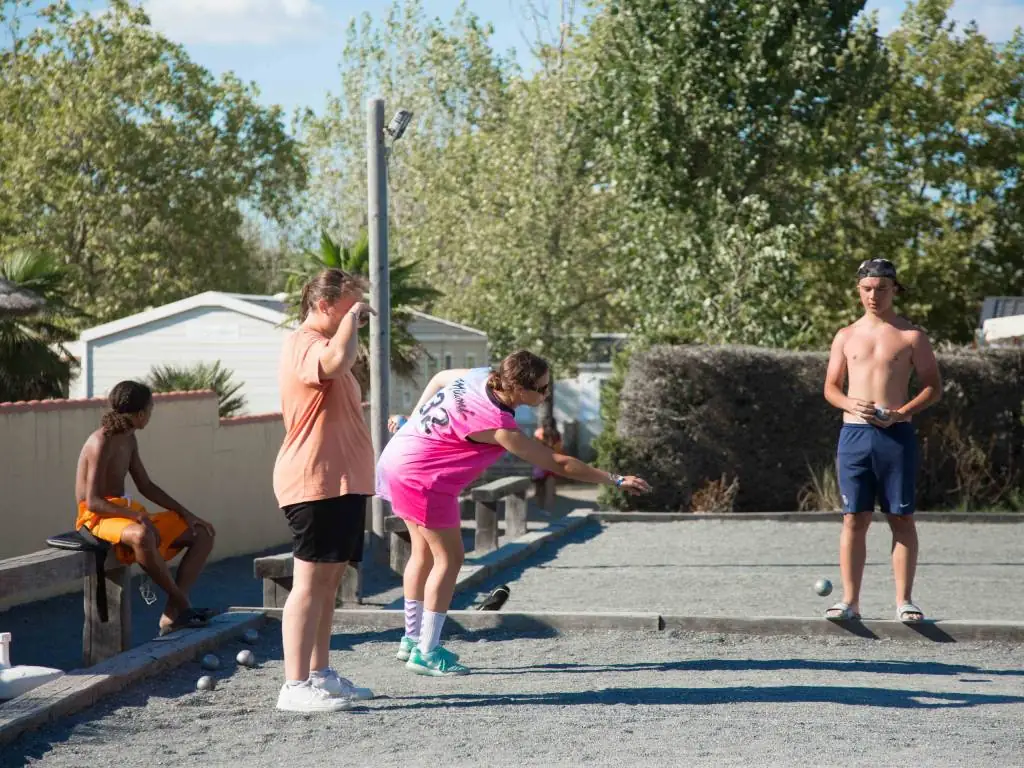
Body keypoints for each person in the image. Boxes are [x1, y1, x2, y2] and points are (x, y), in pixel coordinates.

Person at [378, 350, 650, 676]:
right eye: (543, 388)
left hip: (398, 459)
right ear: (520, 388)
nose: (547, 394)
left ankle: (411, 639)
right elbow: (557, 463)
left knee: (422, 554)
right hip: (423, 479)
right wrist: (614, 479)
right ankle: (426, 651)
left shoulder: (478, 375)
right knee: (449, 559)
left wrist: (413, 417)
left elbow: (439, 379)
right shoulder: (499, 425)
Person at [272, 268, 377, 713]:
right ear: (322, 305)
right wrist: (352, 321)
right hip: (314, 482)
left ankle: (319, 674)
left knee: (329, 583)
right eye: (349, 303)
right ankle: (293, 685)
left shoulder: (331, 341)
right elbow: (337, 362)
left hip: (343, 482)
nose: (358, 310)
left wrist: (349, 321)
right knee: (308, 585)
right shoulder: (306, 343)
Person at [823, 258, 942, 623]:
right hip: (854, 434)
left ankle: (904, 601)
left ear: (895, 290)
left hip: (896, 435)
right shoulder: (845, 335)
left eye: (882, 289)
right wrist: (848, 402)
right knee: (853, 519)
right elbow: (830, 387)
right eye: (868, 289)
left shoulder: (911, 336)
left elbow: (933, 387)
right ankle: (850, 602)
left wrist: (902, 411)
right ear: (859, 290)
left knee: (901, 518)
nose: (874, 296)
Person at [74, 380, 216, 636]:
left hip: (123, 512)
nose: (150, 415)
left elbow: (146, 486)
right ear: (140, 414)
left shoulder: (129, 440)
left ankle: (172, 614)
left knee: (203, 533)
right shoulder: (100, 441)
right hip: (96, 516)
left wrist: (187, 514)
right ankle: (184, 605)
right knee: (141, 535)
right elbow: (92, 501)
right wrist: (138, 516)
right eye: (150, 410)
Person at [532, 418, 562, 510]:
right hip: (551, 463)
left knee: (539, 487)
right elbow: (558, 450)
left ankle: (539, 507)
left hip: (539, 463)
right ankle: (549, 510)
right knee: (550, 490)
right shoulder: (557, 435)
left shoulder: (538, 433)